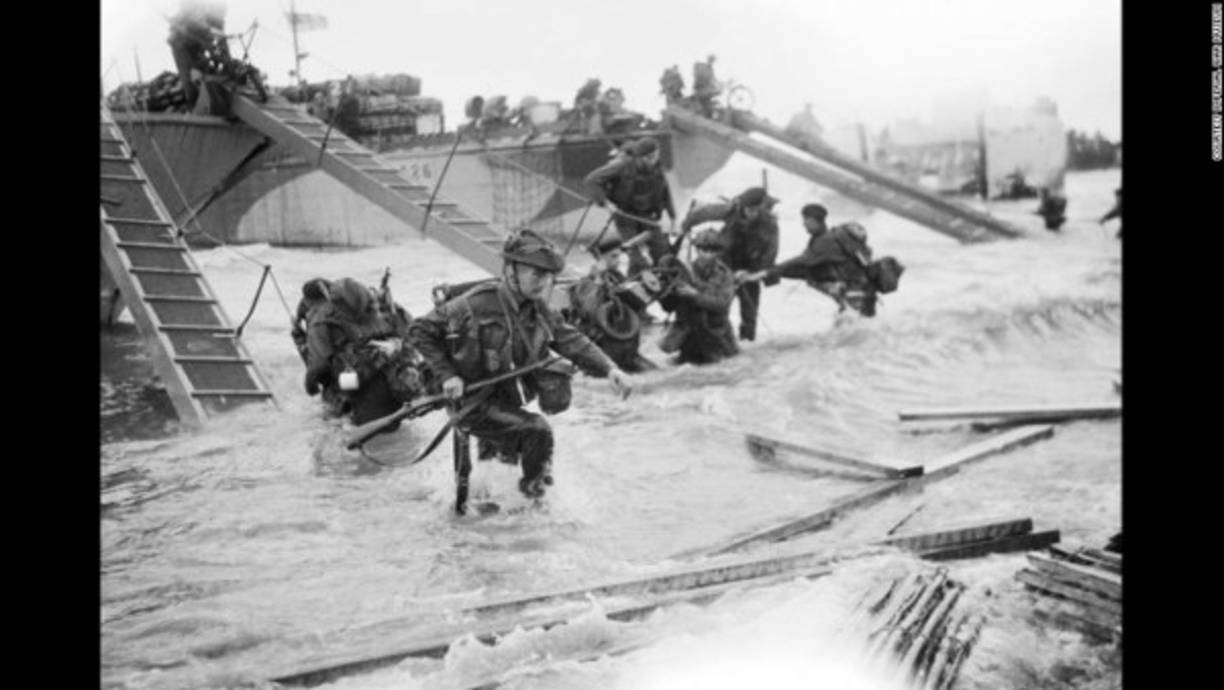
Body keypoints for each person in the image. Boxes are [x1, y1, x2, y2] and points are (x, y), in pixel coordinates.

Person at [408, 229, 633, 499]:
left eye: (548, 276)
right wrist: (447, 376)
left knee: (497, 473)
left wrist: (610, 368)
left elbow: (569, 339)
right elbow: (419, 330)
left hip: (503, 401)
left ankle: (495, 517)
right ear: (512, 270)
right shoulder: (475, 303)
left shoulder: (536, 309)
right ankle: (534, 503)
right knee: (537, 431)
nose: (543, 282)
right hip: (470, 402)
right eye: (536, 274)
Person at [303, 277, 425, 425]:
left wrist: (311, 385)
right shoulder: (389, 310)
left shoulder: (322, 323)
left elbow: (319, 368)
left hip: (359, 403)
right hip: (402, 394)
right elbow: (416, 338)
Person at [740, 210, 901, 318]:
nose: (804, 224)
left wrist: (761, 274)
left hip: (855, 294)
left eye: (807, 221)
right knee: (858, 332)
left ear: (817, 221)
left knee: (854, 332)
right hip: (862, 292)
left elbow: (797, 263)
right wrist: (764, 272)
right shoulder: (827, 240)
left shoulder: (825, 243)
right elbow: (805, 271)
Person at [680, 187, 779, 341]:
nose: (751, 214)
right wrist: (685, 226)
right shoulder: (731, 210)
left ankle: (747, 341)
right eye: (749, 210)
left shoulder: (770, 223)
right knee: (716, 307)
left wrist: (751, 275)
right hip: (725, 265)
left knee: (749, 314)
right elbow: (702, 213)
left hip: (749, 269)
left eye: (755, 210)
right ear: (742, 207)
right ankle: (717, 339)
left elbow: (770, 255)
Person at [583, 137, 677, 277]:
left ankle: (663, 281)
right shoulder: (622, 166)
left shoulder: (657, 168)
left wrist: (673, 218)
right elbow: (591, 180)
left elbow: (665, 192)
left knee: (663, 253)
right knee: (636, 258)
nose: (653, 160)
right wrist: (606, 203)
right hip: (626, 216)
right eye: (650, 157)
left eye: (656, 155)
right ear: (641, 157)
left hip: (648, 216)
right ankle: (635, 285)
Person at [562, 235, 651, 373]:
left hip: (627, 352)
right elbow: (591, 309)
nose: (617, 261)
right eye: (613, 257)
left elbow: (638, 307)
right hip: (602, 353)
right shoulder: (586, 284)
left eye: (618, 257)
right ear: (600, 258)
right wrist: (599, 281)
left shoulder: (618, 278)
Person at [658, 229, 739, 365]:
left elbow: (721, 304)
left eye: (711, 251)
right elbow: (668, 306)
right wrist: (667, 290)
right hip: (690, 336)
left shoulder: (725, 275)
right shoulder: (684, 271)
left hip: (715, 336)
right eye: (703, 250)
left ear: (717, 252)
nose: (707, 255)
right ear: (697, 250)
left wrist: (695, 294)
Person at [166, 0, 228, 107]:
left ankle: (212, 101)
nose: (221, 14)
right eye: (219, 11)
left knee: (205, 68)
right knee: (188, 75)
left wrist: (226, 60)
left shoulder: (219, 20)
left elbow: (223, 41)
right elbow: (192, 22)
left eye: (223, 12)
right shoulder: (197, 8)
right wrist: (208, 31)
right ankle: (192, 104)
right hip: (180, 43)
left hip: (197, 44)